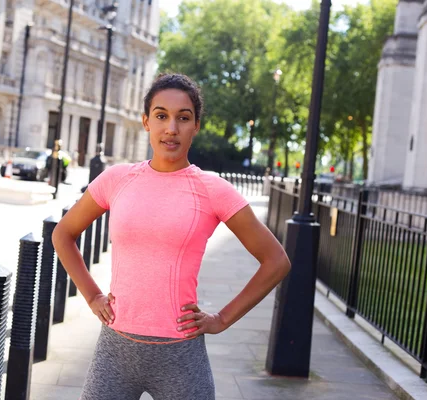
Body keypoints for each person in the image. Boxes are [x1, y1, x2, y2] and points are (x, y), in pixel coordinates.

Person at [52, 73, 291, 400]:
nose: (171, 128)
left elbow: (276, 261)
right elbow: (63, 234)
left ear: (196, 126)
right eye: (161, 115)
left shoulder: (212, 190)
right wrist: (93, 296)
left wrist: (222, 319)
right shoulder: (117, 179)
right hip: (115, 350)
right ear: (146, 121)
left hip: (181, 355)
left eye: (183, 118)